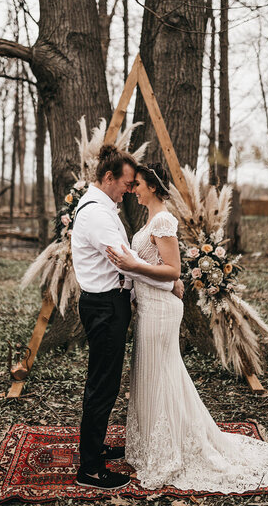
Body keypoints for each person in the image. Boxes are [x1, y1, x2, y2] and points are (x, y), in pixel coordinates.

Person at [106, 163, 268, 493]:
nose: (134, 189)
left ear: (153, 188)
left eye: (139, 185)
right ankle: (150, 444)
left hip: (161, 310)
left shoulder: (162, 220)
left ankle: (169, 449)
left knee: (161, 373)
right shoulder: (149, 218)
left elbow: (173, 270)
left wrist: (133, 265)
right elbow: (159, 269)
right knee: (150, 372)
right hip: (149, 306)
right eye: (132, 185)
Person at [71, 146, 184, 491]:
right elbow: (127, 262)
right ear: (108, 178)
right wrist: (169, 279)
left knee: (105, 381)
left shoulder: (104, 209)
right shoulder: (96, 214)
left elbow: (131, 261)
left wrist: (165, 279)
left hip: (111, 304)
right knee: (103, 384)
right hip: (104, 306)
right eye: (126, 182)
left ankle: (96, 445)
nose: (129, 189)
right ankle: (90, 468)